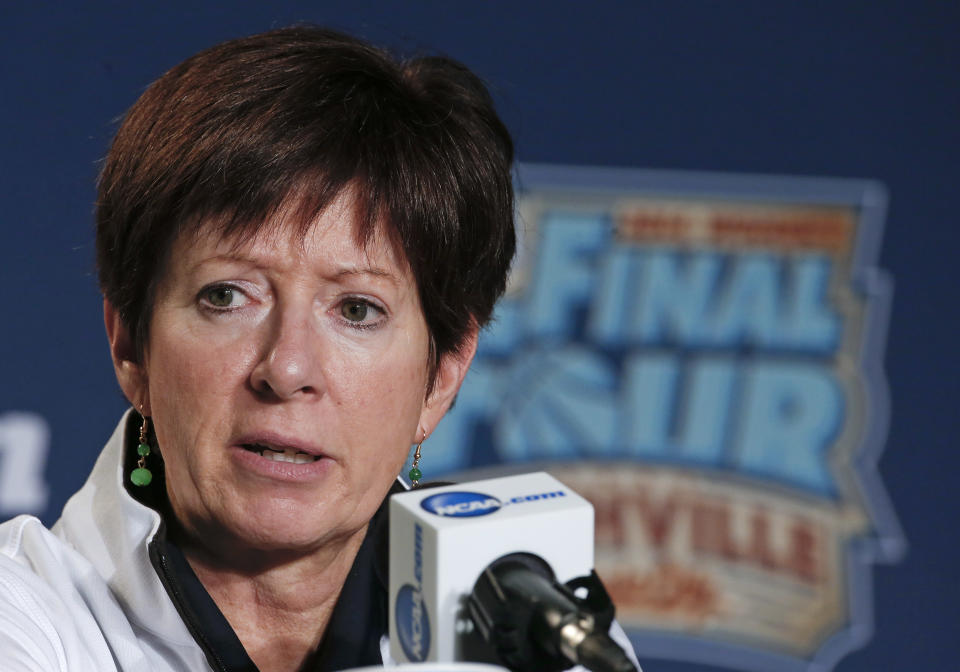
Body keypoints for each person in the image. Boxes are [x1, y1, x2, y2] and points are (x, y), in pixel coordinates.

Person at [0, 26, 639, 672]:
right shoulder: (21, 620)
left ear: (442, 375)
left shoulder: (541, 637)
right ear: (130, 344)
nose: (288, 368)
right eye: (228, 296)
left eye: (357, 310)